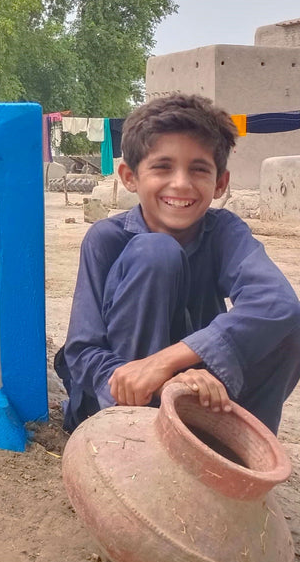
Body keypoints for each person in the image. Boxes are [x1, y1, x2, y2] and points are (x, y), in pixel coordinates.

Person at [55, 93, 300, 434]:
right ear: (129, 177)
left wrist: (173, 367)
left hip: (194, 389)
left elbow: (276, 303)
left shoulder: (224, 231)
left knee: (288, 328)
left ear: (220, 184)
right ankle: (135, 433)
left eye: (198, 170)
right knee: (156, 252)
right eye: (162, 167)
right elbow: (83, 351)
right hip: (118, 399)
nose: (181, 183)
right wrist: (152, 380)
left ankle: (232, 445)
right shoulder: (105, 239)